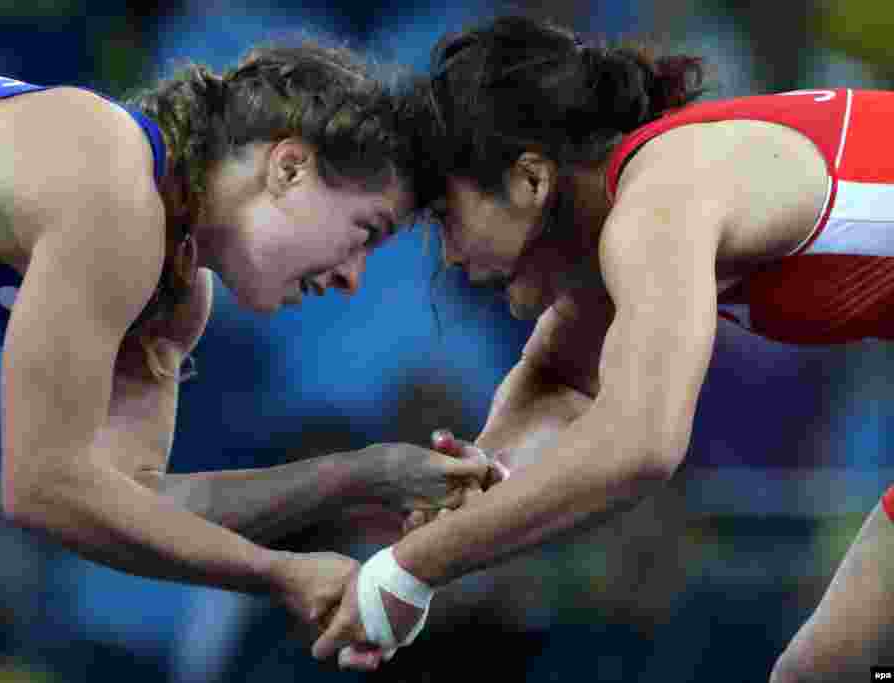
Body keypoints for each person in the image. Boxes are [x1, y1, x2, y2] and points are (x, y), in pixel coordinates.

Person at [0, 45, 493, 681]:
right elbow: (41, 489)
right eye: (366, 232)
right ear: (289, 167)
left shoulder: (174, 295)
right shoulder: (115, 194)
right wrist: (277, 573)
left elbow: (127, 504)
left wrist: (366, 475)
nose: (353, 279)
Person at [310, 15, 894, 680]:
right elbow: (557, 382)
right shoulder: (624, 214)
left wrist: (414, 567)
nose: (448, 253)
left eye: (447, 215)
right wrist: (473, 482)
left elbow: (640, 444)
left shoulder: (657, 208)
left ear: (532, 179)